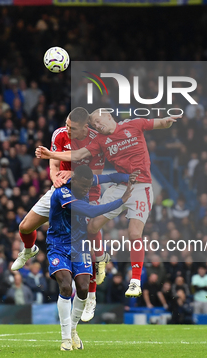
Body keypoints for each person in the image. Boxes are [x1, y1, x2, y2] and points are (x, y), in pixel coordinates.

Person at [37, 110, 178, 299]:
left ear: (109, 116)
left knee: (134, 233)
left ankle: (135, 281)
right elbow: (78, 154)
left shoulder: (133, 125)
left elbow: (158, 123)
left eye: (98, 120)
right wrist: (50, 154)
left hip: (141, 186)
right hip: (119, 186)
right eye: (94, 124)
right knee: (92, 226)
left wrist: (167, 121)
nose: (97, 125)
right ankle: (102, 257)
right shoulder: (101, 141)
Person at [12, 108, 106, 320]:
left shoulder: (97, 140)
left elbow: (95, 175)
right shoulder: (59, 134)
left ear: (85, 127)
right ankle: (29, 249)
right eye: (67, 124)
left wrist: (72, 174)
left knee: (88, 239)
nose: (68, 130)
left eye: (73, 128)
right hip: (61, 189)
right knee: (25, 227)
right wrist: (56, 179)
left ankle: (91, 296)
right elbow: (54, 165)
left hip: (86, 192)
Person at [47, 165, 133, 351]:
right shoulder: (63, 193)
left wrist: (130, 177)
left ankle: (73, 330)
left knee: (84, 288)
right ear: (75, 180)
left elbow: (111, 177)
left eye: (89, 186)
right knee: (65, 285)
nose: (87, 190)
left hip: (80, 246)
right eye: (84, 187)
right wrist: (122, 200)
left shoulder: (85, 181)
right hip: (59, 246)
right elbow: (91, 212)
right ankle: (65, 339)